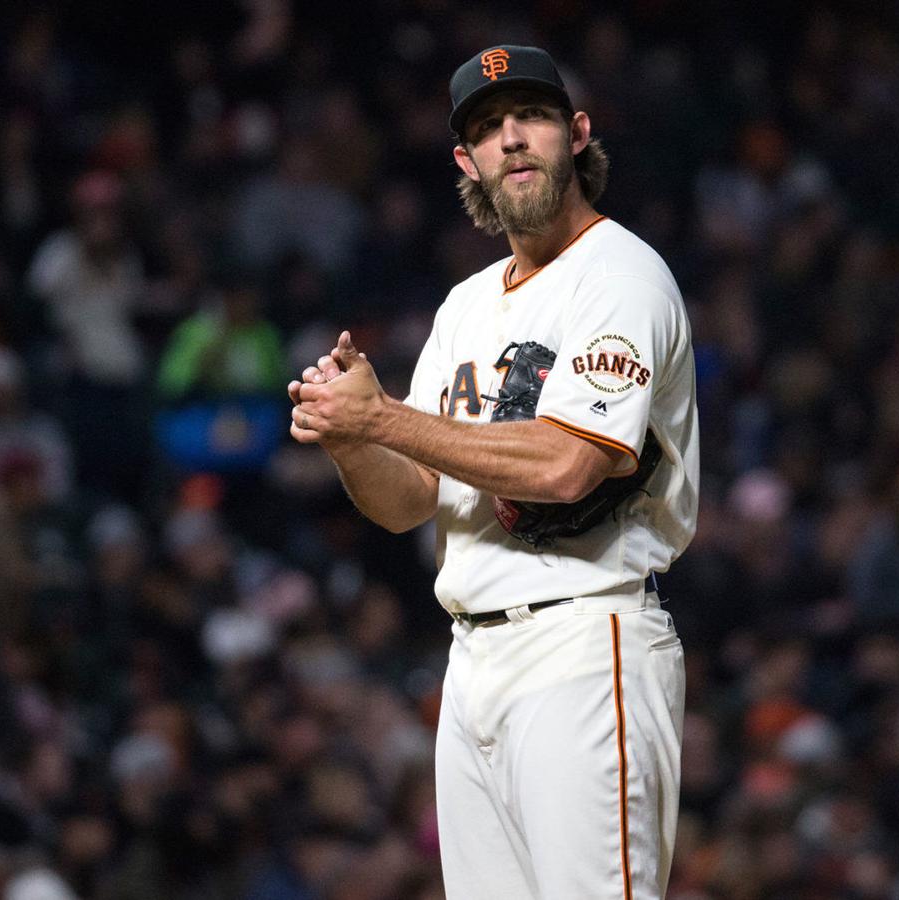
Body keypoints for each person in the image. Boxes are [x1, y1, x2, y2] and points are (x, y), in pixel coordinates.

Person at [288, 45, 698, 899]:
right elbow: (409, 502)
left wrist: (383, 417)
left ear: (577, 135)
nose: (511, 139)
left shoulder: (620, 276)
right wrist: (350, 438)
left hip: (587, 638)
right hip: (473, 659)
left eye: (532, 117)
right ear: (465, 161)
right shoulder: (467, 305)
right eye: (486, 127)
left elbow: (565, 465)